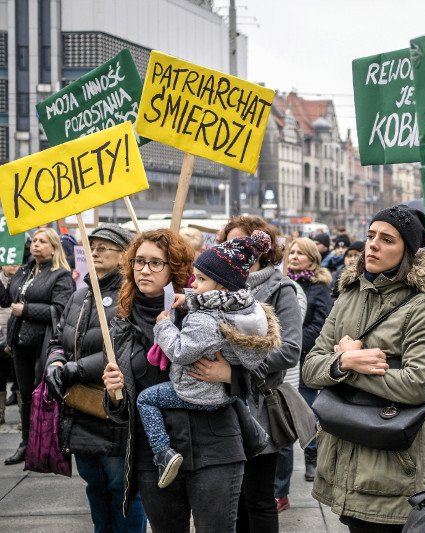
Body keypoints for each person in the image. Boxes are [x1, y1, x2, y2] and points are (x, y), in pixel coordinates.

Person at [303, 204, 425, 532]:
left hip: (391, 469)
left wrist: (352, 367)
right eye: (370, 236)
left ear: (407, 251)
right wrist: (345, 361)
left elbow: (417, 384)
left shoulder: (422, 304)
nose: (373, 245)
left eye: (387, 239)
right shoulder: (350, 294)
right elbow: (310, 366)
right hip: (344, 457)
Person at [101, 229, 249, 533]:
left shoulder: (205, 309)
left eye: (156, 263)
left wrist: (229, 375)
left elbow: (264, 370)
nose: (144, 269)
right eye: (139, 261)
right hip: (156, 453)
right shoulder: (121, 322)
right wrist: (114, 394)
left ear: (175, 268)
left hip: (213, 443)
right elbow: (122, 411)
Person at [137, 231, 279, 488]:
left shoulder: (205, 320)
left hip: (195, 391)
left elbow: (180, 351)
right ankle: (256, 434)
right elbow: (211, 300)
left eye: (200, 279)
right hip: (217, 392)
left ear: (222, 284)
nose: (194, 283)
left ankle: (162, 453)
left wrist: (164, 326)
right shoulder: (240, 305)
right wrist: (190, 298)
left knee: (145, 400)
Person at [43, 224, 146, 532]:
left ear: (124, 254)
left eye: (105, 247)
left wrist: (78, 368)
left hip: (111, 406)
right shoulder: (81, 295)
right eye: (93, 246)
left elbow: (124, 350)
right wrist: (56, 361)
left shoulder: (132, 295)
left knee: (121, 488)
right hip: (79, 407)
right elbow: (58, 339)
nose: (96, 251)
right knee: (94, 485)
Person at [218, 216, 304, 533]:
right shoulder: (217, 286)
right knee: (233, 499)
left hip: (257, 408)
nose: (233, 250)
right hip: (220, 404)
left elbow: (291, 349)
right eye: (227, 243)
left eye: (241, 243)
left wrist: (236, 367)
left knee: (258, 497)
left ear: (262, 248)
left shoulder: (281, 289)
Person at [0, 227, 74, 465]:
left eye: (42, 241)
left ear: (53, 247)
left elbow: (61, 309)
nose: (36, 244)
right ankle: (26, 444)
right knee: (25, 395)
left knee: (45, 394)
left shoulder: (60, 274)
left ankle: (50, 445)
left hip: (43, 343)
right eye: (34, 241)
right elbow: (7, 300)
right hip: (20, 342)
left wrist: (27, 310)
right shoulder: (25, 270)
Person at [274, 237, 333, 503]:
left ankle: (311, 456)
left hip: (306, 358)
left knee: (307, 413)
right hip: (287, 361)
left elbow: (320, 324)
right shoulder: (282, 282)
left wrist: (295, 343)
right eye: (292, 252)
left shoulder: (318, 286)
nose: (294, 256)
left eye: (300, 253)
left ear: (312, 258)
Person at [0, 264, 20, 424]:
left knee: (21, 379)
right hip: (1, 334)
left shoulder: (26, 278)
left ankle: (25, 417)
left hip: (17, 335)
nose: (14, 264)